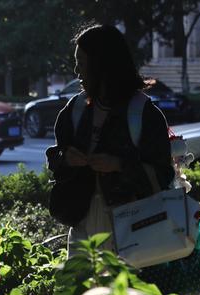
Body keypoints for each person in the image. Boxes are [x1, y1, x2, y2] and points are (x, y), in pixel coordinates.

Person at [46, 24, 174, 257]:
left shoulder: (143, 113)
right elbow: (55, 159)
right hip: (82, 228)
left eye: (82, 63)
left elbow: (164, 175)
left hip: (134, 231)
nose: (77, 71)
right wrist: (66, 159)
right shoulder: (74, 109)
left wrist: (119, 165)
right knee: (81, 293)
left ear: (102, 66)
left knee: (125, 294)